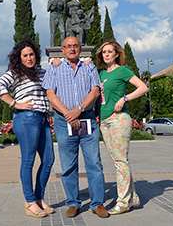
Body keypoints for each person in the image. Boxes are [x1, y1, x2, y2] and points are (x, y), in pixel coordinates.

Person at [42, 36, 109, 219]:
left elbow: (95, 91)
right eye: (68, 46)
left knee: (94, 163)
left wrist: (78, 110)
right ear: (62, 50)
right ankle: (73, 202)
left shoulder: (89, 67)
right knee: (68, 165)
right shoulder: (54, 68)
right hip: (64, 122)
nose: (72, 49)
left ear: (80, 48)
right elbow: (50, 94)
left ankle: (97, 203)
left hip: (86, 119)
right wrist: (68, 114)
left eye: (75, 46)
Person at [0, 40, 55, 218]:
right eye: (25, 55)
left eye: (31, 54)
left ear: (36, 55)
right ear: (19, 58)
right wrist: (14, 103)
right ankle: (29, 202)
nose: (29, 58)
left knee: (49, 159)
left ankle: (39, 198)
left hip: (43, 119)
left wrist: (56, 64)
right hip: (26, 118)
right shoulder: (15, 73)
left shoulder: (42, 72)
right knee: (28, 161)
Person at [96, 40, 149, 215]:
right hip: (104, 121)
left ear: (117, 54)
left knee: (121, 161)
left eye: (110, 51)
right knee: (118, 162)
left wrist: (124, 99)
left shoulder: (123, 70)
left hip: (119, 119)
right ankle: (132, 198)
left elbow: (143, 88)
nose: (106, 55)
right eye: (104, 52)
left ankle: (123, 201)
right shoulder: (101, 73)